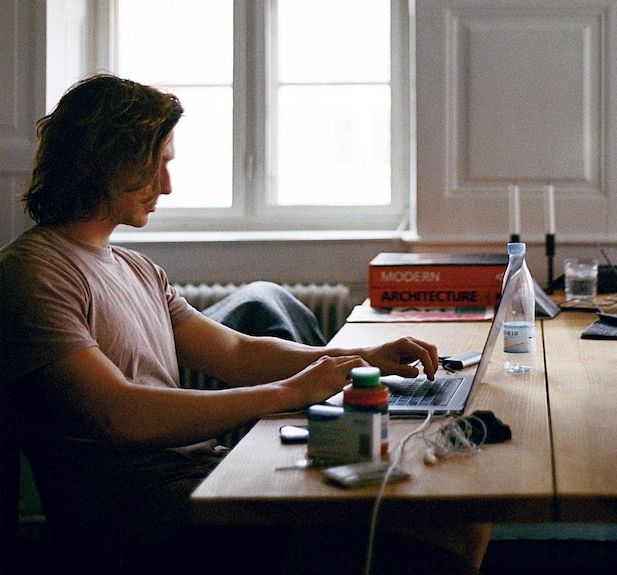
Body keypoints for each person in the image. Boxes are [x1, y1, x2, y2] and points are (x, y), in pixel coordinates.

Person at [0, 74, 489, 574]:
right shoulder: (33, 272)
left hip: (199, 476)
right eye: (156, 167)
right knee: (439, 526)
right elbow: (120, 415)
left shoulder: (137, 269)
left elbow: (234, 353)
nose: (167, 186)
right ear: (105, 161)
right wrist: (289, 393)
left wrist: (356, 360)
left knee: (462, 513)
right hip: (140, 519)